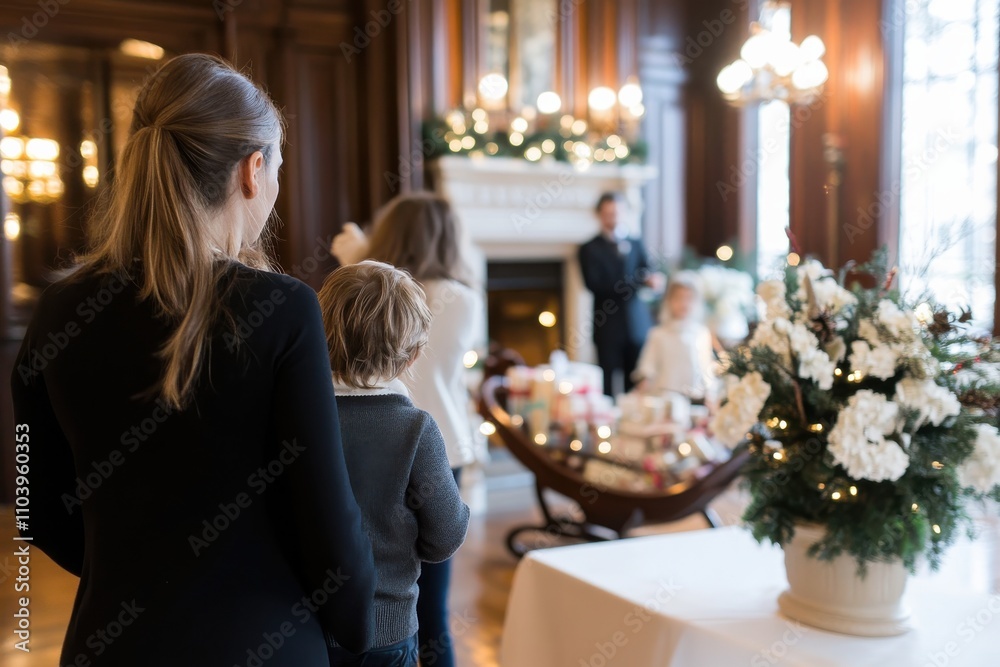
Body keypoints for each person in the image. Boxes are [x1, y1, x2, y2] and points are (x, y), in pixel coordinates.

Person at [10, 54, 375, 665]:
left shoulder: (58, 308)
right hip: (262, 641)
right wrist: (360, 625)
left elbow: (32, 501)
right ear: (253, 170)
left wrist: (128, 577)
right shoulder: (282, 309)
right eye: (278, 167)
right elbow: (327, 516)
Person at [331, 193, 480, 667]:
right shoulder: (457, 299)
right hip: (440, 443)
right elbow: (443, 536)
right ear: (412, 355)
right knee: (433, 607)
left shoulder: (358, 290)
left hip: (320, 626)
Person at [578, 192, 659, 397]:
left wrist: (653, 281)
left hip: (636, 325)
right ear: (599, 215)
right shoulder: (589, 249)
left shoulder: (636, 243)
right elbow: (594, 284)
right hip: (607, 326)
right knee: (607, 386)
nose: (613, 217)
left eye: (616, 212)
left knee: (635, 383)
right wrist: (637, 281)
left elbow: (648, 271)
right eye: (608, 213)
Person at [633, 274, 718, 401]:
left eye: (689, 298)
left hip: (692, 398)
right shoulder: (658, 334)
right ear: (669, 301)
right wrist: (644, 383)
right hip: (663, 397)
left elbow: (706, 368)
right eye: (679, 298)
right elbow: (648, 366)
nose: (683, 304)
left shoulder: (701, 333)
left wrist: (710, 392)